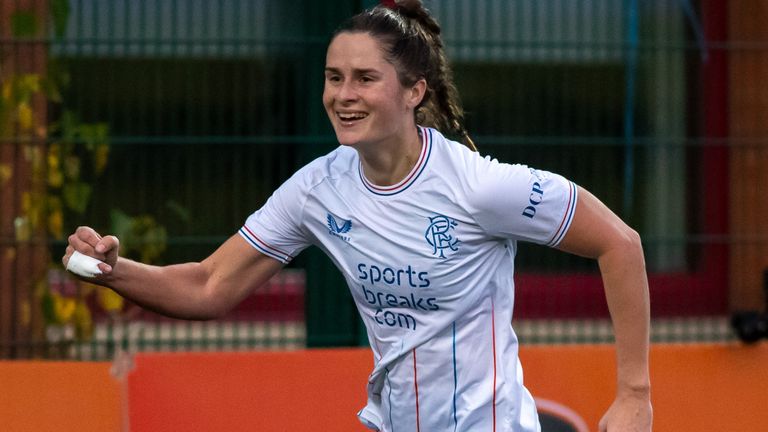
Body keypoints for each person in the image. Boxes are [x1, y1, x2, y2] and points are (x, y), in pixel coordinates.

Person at [63, 1, 652, 431]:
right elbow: (211, 284)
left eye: (365, 79)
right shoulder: (318, 188)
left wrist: (633, 394)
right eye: (333, 77)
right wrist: (113, 272)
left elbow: (619, 244)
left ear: (415, 91)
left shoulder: (480, 187)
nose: (343, 95)